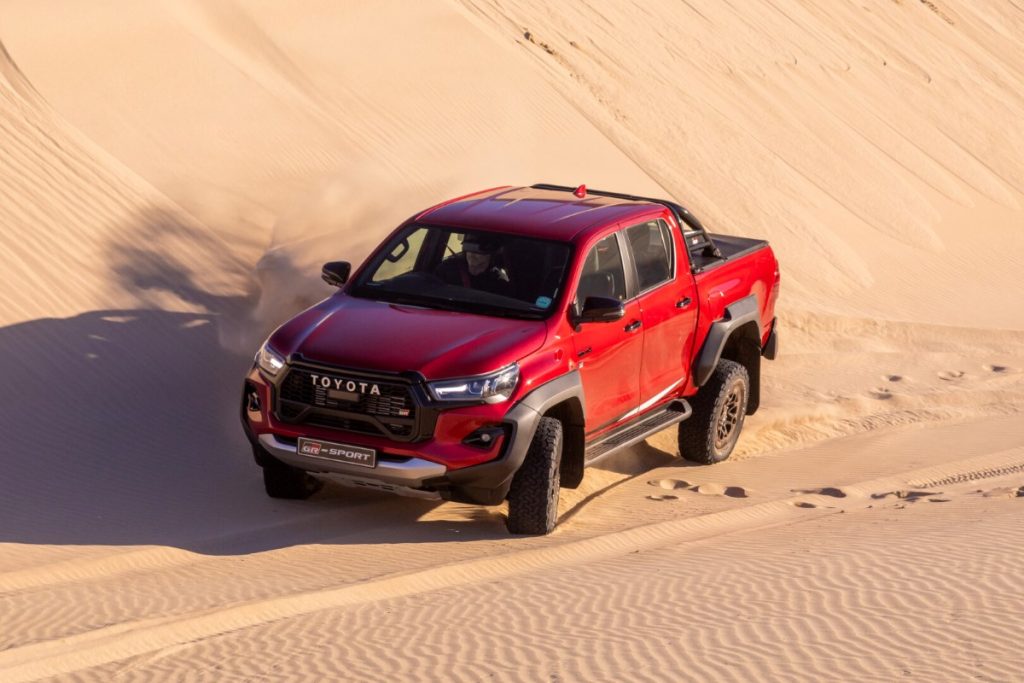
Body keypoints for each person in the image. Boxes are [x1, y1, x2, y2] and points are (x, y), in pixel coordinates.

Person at [436, 233, 513, 297]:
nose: (472, 253)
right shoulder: (446, 270)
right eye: (468, 246)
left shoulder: (499, 284)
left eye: (479, 249)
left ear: (492, 253)